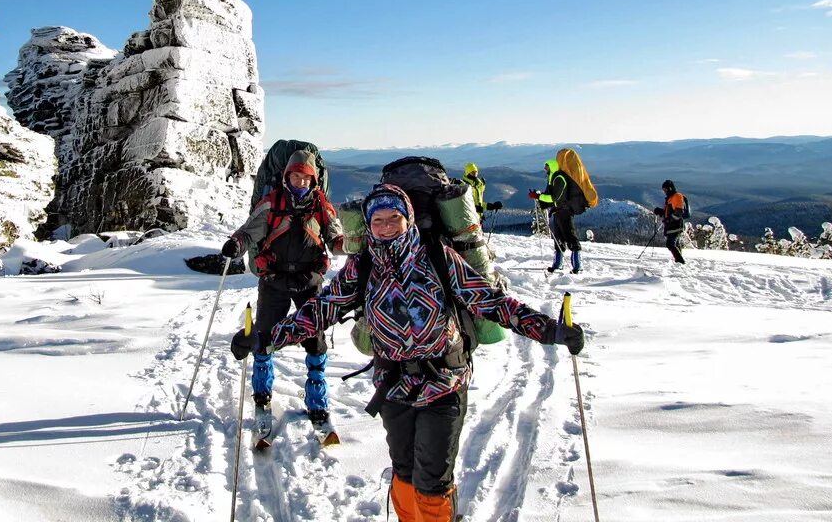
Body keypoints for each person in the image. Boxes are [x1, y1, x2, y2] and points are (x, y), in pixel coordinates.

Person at [234, 184, 583, 522]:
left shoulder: (437, 257)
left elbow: (490, 300)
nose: (386, 227)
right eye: (377, 221)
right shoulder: (364, 265)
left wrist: (549, 329)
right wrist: (267, 338)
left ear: (409, 219)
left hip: (444, 381)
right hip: (393, 387)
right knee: (403, 472)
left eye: (393, 218)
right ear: (368, 226)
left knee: (432, 481)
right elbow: (323, 308)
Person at [224, 150, 344, 422]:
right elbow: (249, 231)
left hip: (308, 280)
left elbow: (335, 238)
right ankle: (262, 393)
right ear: (286, 176)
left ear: (314, 181)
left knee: (314, 341)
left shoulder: (322, 208)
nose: (301, 182)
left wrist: (347, 245)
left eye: (306, 178)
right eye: (296, 176)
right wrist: (236, 244)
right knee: (265, 337)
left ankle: (317, 400)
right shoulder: (271, 204)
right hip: (273, 279)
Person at [528, 159, 583, 274]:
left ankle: (578, 266)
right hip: (557, 212)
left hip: (565, 211)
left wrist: (539, 197)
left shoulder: (559, 179)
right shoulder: (552, 179)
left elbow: (554, 198)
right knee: (558, 239)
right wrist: (538, 197)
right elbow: (548, 198)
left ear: (552, 166)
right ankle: (558, 265)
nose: (545, 169)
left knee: (570, 237)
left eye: (546, 166)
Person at [653, 179, 687, 264]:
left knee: (670, 244)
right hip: (672, 225)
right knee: (675, 244)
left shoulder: (677, 196)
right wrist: (660, 211)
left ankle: (680, 262)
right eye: (663, 190)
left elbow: (679, 212)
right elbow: (669, 211)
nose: (664, 192)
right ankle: (679, 262)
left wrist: (669, 219)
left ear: (670, 188)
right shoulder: (671, 198)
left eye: (665, 190)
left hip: (675, 225)